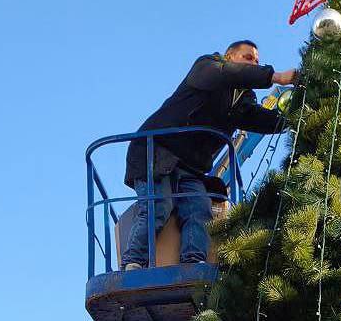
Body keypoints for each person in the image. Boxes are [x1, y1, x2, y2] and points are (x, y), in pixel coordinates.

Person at [122, 40, 297, 270]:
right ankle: (133, 261)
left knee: (199, 210)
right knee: (159, 205)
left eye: (257, 61)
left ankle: (193, 263)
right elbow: (226, 74)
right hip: (157, 151)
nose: (254, 63)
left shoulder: (239, 103)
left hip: (191, 168)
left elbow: (259, 119)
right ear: (229, 56)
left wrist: (294, 117)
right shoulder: (207, 68)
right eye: (248, 57)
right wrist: (276, 77)